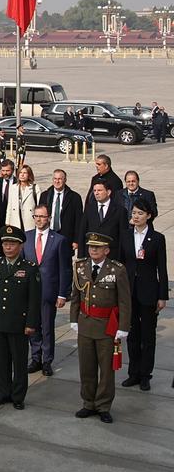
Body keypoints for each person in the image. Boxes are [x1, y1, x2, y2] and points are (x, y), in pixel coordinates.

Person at [70, 232, 131, 423]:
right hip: (86, 324)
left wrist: (123, 327)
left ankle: (103, 405)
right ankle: (88, 403)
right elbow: (75, 297)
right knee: (86, 367)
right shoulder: (80, 267)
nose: (93, 250)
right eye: (90, 247)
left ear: (107, 250)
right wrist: (74, 319)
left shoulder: (117, 270)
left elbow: (124, 301)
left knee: (106, 370)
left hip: (107, 327)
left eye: (97, 247)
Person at [0, 225, 41, 410]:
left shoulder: (29, 268)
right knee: (1, 361)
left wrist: (31, 323)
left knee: (19, 361)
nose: (8, 247)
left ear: (21, 246)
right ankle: (2, 393)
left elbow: (34, 299)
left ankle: (18, 396)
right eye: (5, 243)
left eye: (12, 244)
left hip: (19, 323)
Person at [120, 198, 166, 392]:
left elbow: (162, 269)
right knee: (132, 335)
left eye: (140, 213)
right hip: (129, 292)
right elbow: (121, 265)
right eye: (134, 213)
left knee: (148, 336)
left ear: (148, 216)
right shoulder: (125, 235)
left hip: (148, 292)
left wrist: (162, 296)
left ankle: (145, 375)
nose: (136, 216)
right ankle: (133, 373)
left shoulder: (157, 238)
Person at [24, 204, 71, 377]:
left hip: (49, 291)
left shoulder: (58, 240)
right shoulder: (27, 237)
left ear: (49, 218)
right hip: (30, 293)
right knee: (32, 326)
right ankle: (35, 358)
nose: (39, 220)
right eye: (36, 216)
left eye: (42, 216)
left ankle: (47, 360)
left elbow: (64, 269)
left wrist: (62, 293)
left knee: (47, 328)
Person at [78, 181, 129, 262]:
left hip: (112, 256)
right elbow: (82, 232)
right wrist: (81, 257)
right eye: (94, 191)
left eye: (99, 190)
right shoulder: (89, 209)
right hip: (91, 256)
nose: (96, 193)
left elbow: (123, 236)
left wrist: (121, 258)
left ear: (108, 192)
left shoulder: (120, 211)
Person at [38, 168, 82, 242]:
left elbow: (78, 220)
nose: (57, 181)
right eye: (55, 179)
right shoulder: (45, 195)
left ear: (65, 180)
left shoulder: (74, 197)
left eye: (60, 179)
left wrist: (76, 240)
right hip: (48, 234)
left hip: (66, 236)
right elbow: (40, 215)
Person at [5, 163, 38, 232]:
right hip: (15, 221)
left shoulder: (34, 188)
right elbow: (9, 206)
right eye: (20, 173)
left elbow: (39, 205)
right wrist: (7, 221)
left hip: (29, 221)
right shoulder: (13, 187)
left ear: (29, 175)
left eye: (25, 173)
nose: (22, 175)